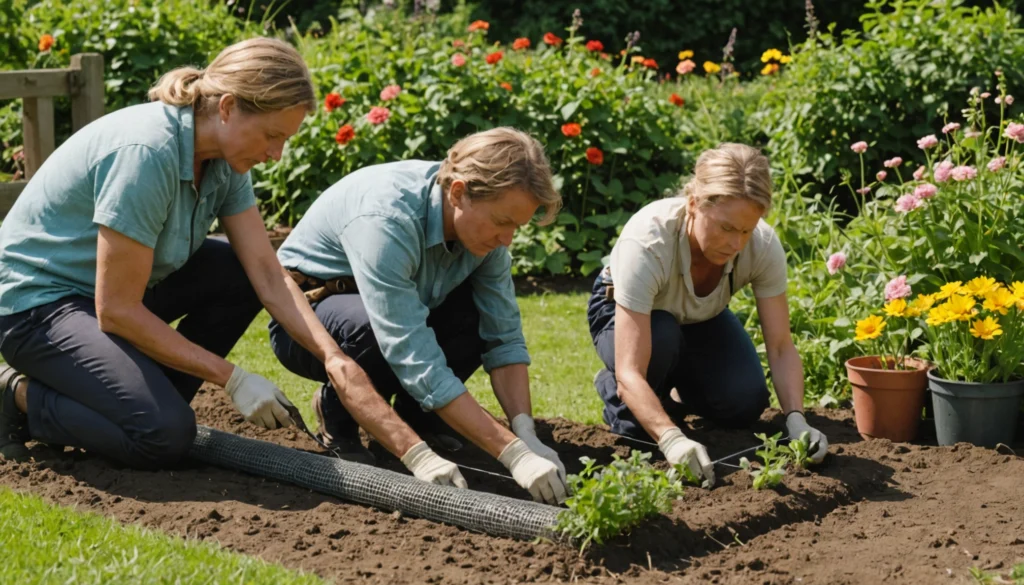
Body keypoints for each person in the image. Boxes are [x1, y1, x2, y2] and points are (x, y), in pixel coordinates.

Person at [0, 38, 462, 488]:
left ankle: (135, 396)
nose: (276, 153)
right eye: (272, 135)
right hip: (38, 306)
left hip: (113, 292)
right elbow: (116, 309)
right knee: (161, 436)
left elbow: (266, 271)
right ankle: (16, 396)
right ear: (226, 108)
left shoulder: (223, 159)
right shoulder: (147, 154)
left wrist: (334, 358)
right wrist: (233, 378)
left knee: (236, 273)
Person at [270, 127, 569, 504]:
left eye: (517, 226)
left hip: (397, 315)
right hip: (311, 323)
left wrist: (526, 434)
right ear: (458, 192)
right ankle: (337, 417)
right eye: (502, 221)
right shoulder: (387, 219)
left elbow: (502, 335)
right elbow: (410, 351)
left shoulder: (484, 233)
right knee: (367, 330)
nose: (507, 239)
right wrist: (511, 455)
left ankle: (422, 418)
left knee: (473, 313)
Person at [586, 143, 829, 486]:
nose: (736, 243)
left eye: (746, 230)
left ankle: (671, 392)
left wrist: (796, 420)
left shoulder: (761, 245)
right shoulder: (648, 242)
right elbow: (631, 370)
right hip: (626, 313)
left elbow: (780, 346)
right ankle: (612, 389)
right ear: (694, 204)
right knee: (640, 422)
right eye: (727, 228)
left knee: (744, 402)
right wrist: (670, 438)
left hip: (701, 317)